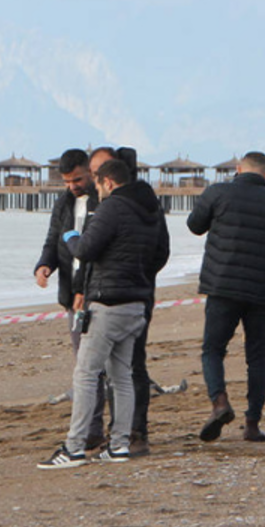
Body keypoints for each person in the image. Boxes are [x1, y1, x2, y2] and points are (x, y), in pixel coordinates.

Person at [38, 158, 169, 468]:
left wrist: (70, 238)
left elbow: (86, 250)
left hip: (108, 302)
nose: (98, 190)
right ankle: (120, 445)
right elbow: (161, 252)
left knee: (86, 373)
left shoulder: (113, 207)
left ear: (108, 182)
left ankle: (73, 448)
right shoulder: (150, 208)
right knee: (121, 375)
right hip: (137, 300)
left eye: (99, 184)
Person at [188, 151, 265, 442]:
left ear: (238, 170)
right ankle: (252, 424)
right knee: (257, 357)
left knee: (213, 350)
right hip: (261, 290)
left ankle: (220, 402)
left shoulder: (218, 193)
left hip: (222, 286)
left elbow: (194, 225)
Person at [89, 145, 168, 456]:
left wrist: (135, 273)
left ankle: (133, 432)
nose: (95, 180)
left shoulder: (132, 204)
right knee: (118, 367)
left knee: (127, 366)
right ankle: (121, 432)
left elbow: (160, 250)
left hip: (127, 294)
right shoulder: (140, 202)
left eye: (98, 174)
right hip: (128, 291)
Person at [34, 149, 111, 446]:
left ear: (90, 173)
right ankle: (92, 430)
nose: (73, 186)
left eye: (77, 179)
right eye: (67, 181)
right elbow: (53, 240)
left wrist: (85, 288)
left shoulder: (103, 201)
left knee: (102, 366)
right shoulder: (63, 203)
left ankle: (108, 429)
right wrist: (44, 266)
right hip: (72, 296)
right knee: (84, 365)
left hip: (98, 291)